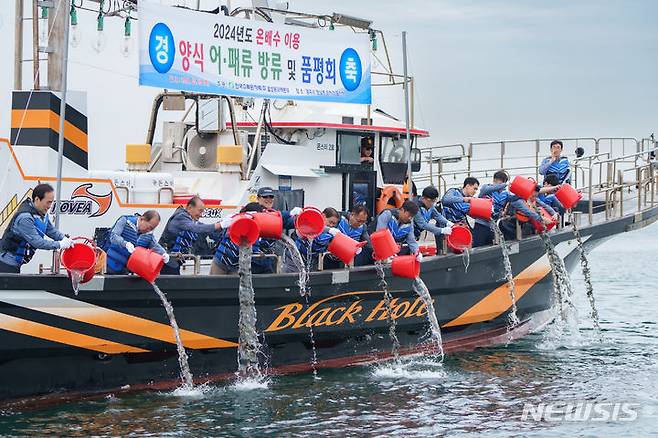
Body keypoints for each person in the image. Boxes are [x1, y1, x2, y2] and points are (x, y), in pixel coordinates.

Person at [0, 183, 73, 273]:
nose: (50, 206)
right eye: (48, 202)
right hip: (6, 264)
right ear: (37, 199)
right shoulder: (25, 218)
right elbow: (37, 242)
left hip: (16, 263)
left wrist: (64, 238)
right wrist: (60, 244)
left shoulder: (41, 213)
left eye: (52, 202)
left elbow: (50, 230)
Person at [158, 196, 231, 275]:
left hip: (174, 262)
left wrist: (224, 224)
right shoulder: (181, 217)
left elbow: (205, 230)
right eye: (200, 211)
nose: (201, 215)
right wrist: (220, 224)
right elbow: (196, 228)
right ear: (189, 208)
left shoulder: (190, 220)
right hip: (167, 261)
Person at [211, 203, 272, 275]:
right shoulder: (236, 222)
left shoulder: (234, 220)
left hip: (225, 261)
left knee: (214, 284)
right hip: (224, 263)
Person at [105, 210, 167, 275]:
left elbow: (155, 246)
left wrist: (163, 253)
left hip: (127, 269)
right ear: (142, 219)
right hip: (110, 264)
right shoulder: (125, 220)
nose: (149, 230)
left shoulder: (149, 235)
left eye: (152, 229)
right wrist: (125, 244)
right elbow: (114, 236)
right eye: (149, 227)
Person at [282, 207, 341, 272]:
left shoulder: (328, 235)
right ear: (323, 216)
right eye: (330, 222)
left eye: (334, 224)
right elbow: (315, 228)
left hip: (309, 265)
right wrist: (329, 230)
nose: (331, 225)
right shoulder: (311, 221)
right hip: (292, 264)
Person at [473, 171, 511, 247]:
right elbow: (489, 189)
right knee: (477, 247)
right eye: (496, 181)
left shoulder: (506, 194)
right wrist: (505, 184)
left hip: (493, 226)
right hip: (481, 224)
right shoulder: (486, 188)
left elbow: (513, 199)